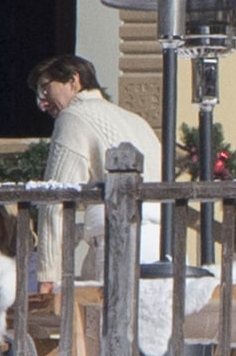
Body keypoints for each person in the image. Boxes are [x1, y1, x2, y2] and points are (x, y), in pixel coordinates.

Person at [27, 55, 162, 293]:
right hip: (163, 248)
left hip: (117, 246)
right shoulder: (136, 121)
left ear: (73, 81)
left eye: (46, 90)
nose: (42, 103)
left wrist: (48, 273)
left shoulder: (73, 117)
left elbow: (55, 200)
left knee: (107, 326)